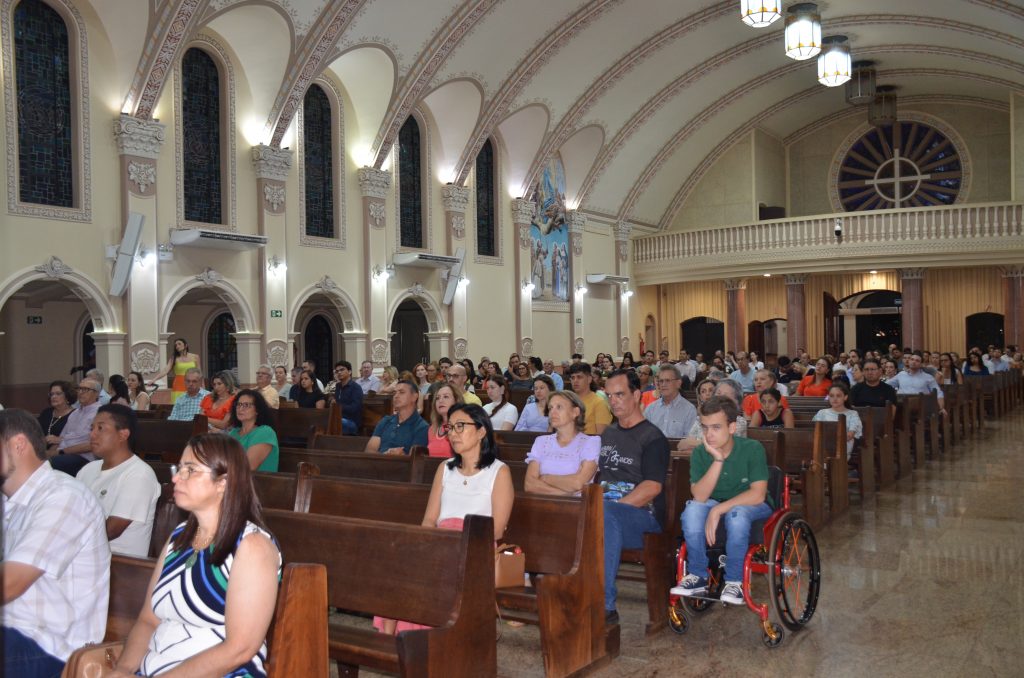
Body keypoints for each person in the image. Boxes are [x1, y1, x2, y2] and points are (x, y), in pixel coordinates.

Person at [111, 434, 281, 676]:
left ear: (223, 481)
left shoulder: (252, 546)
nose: (176, 478)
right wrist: (123, 669)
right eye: (179, 468)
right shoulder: (179, 537)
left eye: (190, 470)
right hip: (156, 667)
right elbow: (148, 619)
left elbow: (240, 648)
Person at [375, 403, 513, 636]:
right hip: (440, 542)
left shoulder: (498, 472)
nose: (453, 433)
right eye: (451, 427)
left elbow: (497, 530)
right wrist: (427, 544)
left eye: (461, 426)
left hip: (475, 548)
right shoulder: (445, 469)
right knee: (399, 563)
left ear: (481, 431)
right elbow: (429, 519)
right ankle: (389, 639)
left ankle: (410, 638)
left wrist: (452, 544)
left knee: (423, 573)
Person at [1, 409, 110, 677]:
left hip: (51, 646)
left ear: (18, 444)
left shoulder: (63, 496)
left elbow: (10, 583)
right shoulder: (9, 501)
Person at [671, 397, 772, 606]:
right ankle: (698, 574)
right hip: (714, 500)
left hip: (753, 505)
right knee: (692, 511)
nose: (709, 434)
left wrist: (718, 510)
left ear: (732, 427)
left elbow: (758, 494)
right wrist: (717, 459)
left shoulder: (753, 448)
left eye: (716, 427)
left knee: (737, 515)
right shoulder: (701, 452)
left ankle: (734, 582)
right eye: (705, 427)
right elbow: (699, 496)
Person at [599, 369, 670, 624]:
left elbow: (651, 488)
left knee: (604, 516)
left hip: (642, 518)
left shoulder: (652, 438)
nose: (613, 401)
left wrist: (608, 510)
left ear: (637, 395)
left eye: (620, 394)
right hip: (606, 513)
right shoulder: (608, 434)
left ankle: (604, 606)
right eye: (609, 396)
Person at [77, 404, 161, 557]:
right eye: (92, 428)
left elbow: (110, 530)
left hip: (118, 566)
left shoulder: (138, 474)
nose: (92, 434)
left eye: (100, 428)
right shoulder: (87, 470)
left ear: (123, 435)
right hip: (82, 556)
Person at [524, 391, 599, 495]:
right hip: (543, 505)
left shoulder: (590, 443)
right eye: (550, 408)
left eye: (559, 407)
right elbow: (529, 484)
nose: (552, 413)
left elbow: (578, 483)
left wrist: (545, 478)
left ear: (575, 412)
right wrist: (566, 495)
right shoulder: (541, 441)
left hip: (577, 508)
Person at [50, 377, 103, 476]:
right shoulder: (75, 413)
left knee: (51, 464)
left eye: (85, 389)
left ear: (96, 394)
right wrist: (49, 453)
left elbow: (92, 444)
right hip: (63, 453)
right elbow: (61, 439)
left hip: (84, 457)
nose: (80, 392)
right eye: (79, 389)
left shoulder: (100, 413)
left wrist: (61, 452)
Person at [677, 379, 748, 452]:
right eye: (718, 393)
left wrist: (695, 444)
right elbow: (684, 445)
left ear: (737, 402)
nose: (720, 398)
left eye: (725, 395)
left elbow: (724, 448)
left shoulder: (739, 422)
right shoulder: (699, 419)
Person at [365, 380, 429, 455]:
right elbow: (369, 451)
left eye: (401, 392)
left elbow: (415, 459)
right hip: (377, 464)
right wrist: (385, 455)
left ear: (414, 397)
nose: (396, 396)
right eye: (394, 393)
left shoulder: (421, 426)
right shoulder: (386, 421)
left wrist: (402, 455)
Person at [226, 390, 279, 472]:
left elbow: (248, 467)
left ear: (257, 410)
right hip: (233, 479)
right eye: (238, 404)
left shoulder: (265, 432)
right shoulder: (233, 432)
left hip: (258, 482)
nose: (240, 408)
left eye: (246, 405)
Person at [644, 364, 698, 438]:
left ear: (678, 383)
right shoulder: (651, 409)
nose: (663, 384)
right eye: (661, 381)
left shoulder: (689, 410)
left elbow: (689, 441)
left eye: (667, 380)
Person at [812, 382, 863, 460]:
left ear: (845, 397)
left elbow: (851, 434)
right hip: (823, 447)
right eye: (832, 396)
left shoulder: (852, 414)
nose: (835, 399)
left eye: (838, 396)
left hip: (843, 449)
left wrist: (833, 440)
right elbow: (814, 431)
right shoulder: (822, 412)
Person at [146, 338, 200, 403]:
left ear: (186, 345)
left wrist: (202, 386)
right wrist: (154, 379)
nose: (177, 346)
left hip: (193, 384)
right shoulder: (174, 358)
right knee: (179, 404)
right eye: (176, 345)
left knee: (194, 404)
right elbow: (165, 370)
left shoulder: (195, 357)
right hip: (178, 384)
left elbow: (199, 372)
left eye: (179, 344)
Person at [567, 362, 612, 435]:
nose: (575, 380)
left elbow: (601, 436)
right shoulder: (568, 401)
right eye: (573, 377)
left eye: (579, 377)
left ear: (589, 379)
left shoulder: (599, 403)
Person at [39, 380, 75, 455]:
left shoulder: (75, 414)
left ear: (67, 396)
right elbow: (36, 431)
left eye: (58, 394)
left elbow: (77, 439)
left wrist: (59, 440)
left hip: (62, 453)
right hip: (41, 450)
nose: (53, 397)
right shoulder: (46, 412)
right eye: (51, 394)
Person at [427, 382, 462, 458]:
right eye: (437, 398)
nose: (441, 400)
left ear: (456, 401)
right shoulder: (432, 429)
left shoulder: (463, 427)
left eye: (446, 397)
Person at [331, 360, 363, 435]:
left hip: (352, 421)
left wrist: (338, 406)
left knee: (335, 422)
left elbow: (355, 408)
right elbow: (336, 401)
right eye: (337, 371)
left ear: (349, 372)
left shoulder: (356, 387)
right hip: (338, 417)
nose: (339, 372)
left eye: (342, 370)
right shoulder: (338, 386)